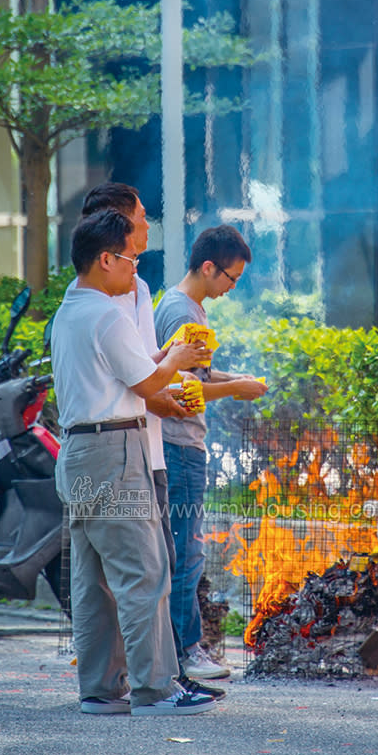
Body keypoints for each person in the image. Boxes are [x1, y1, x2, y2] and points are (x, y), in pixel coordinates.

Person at [51, 208, 215, 716]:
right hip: (114, 449)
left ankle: (100, 688)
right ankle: (157, 688)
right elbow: (147, 383)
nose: (135, 269)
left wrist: (162, 365)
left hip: (79, 451)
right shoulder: (105, 314)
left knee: (94, 579)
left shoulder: (67, 312)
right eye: (130, 259)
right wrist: (177, 359)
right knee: (145, 572)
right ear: (105, 259)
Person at [155, 224, 268, 681]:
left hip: (182, 445)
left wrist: (233, 379)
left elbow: (196, 373)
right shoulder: (183, 312)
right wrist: (236, 388)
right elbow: (182, 386)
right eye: (231, 278)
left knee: (184, 550)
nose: (231, 288)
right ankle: (186, 650)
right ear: (208, 267)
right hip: (180, 445)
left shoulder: (182, 305)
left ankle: (180, 650)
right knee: (186, 552)